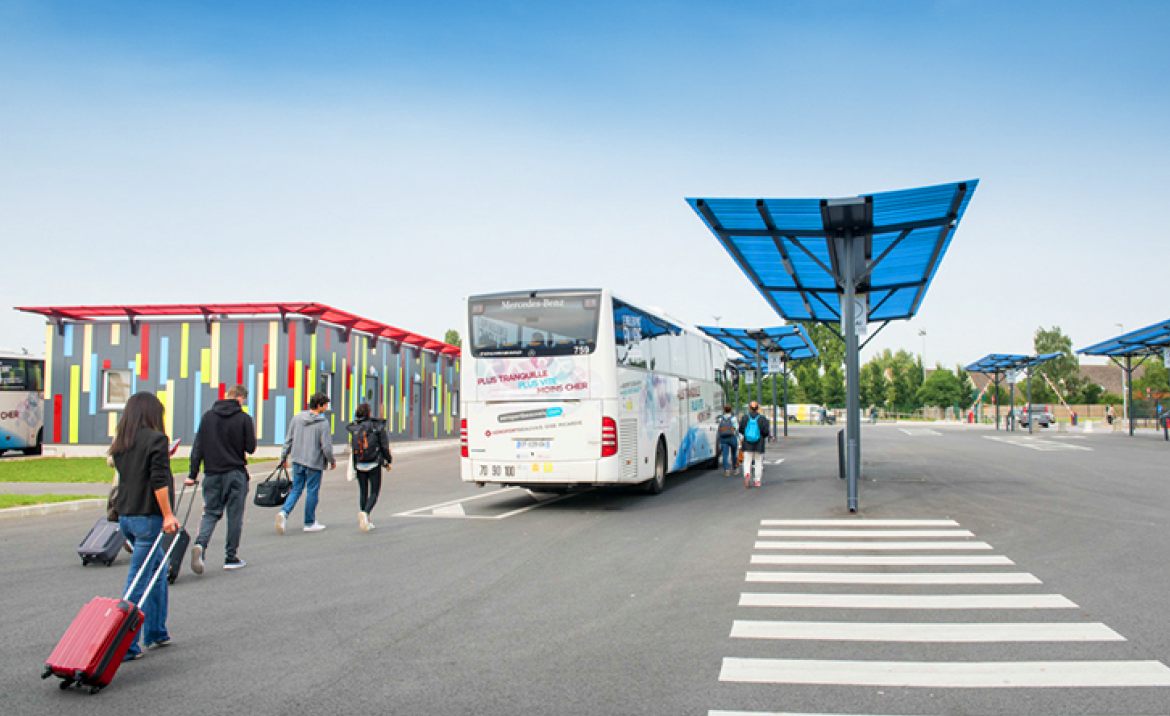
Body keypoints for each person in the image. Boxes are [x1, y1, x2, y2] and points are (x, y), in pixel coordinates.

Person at [109, 392, 179, 661]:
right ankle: (124, 645)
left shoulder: (121, 443)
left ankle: (156, 631)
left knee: (157, 572)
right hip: (147, 517)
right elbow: (158, 480)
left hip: (126, 515)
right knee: (137, 581)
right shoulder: (156, 440)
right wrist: (168, 515)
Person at [185, 384, 257, 572]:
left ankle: (201, 544)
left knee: (210, 512)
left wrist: (192, 474)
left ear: (227, 396)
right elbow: (250, 447)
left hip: (212, 473)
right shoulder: (244, 419)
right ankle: (230, 557)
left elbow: (198, 448)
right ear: (241, 398)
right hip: (235, 473)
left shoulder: (208, 417)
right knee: (234, 515)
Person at [276, 392, 336, 534]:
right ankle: (309, 522)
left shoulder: (297, 418)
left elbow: (288, 439)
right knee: (312, 490)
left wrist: (283, 457)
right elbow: (326, 446)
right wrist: (331, 460)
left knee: (296, 489)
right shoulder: (323, 423)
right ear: (320, 406)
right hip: (313, 462)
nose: (326, 408)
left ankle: (284, 513)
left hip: (297, 460)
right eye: (325, 405)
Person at [346, 402, 393, 531]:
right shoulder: (377, 426)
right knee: (374, 492)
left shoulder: (355, 428)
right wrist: (388, 461)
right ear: (369, 413)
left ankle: (366, 519)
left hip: (359, 463)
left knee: (363, 492)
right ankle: (365, 513)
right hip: (374, 463)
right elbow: (384, 446)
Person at [738, 401, 771, 488]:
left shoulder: (745, 418)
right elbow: (766, 432)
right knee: (758, 462)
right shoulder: (762, 418)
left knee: (747, 461)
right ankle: (757, 480)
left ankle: (747, 474)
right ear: (758, 408)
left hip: (747, 443)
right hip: (759, 444)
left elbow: (740, 430)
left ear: (749, 408)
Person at [715, 405, 739, 477]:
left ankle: (727, 470)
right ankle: (735, 469)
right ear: (731, 410)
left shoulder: (720, 418)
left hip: (723, 438)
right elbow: (736, 428)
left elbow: (718, 428)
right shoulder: (733, 418)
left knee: (725, 454)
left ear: (724, 410)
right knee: (734, 454)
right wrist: (740, 437)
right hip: (732, 437)